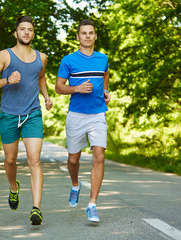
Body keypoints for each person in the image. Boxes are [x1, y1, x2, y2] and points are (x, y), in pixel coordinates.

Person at [0, 15, 53, 225]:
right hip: (9, 114)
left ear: (33, 34)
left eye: (30, 29)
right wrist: (7, 80)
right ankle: (14, 187)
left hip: (32, 113)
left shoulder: (41, 57)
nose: (26, 32)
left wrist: (47, 96)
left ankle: (36, 209)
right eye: (22, 29)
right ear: (16, 33)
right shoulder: (4, 56)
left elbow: (40, 77)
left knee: (35, 160)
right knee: (10, 160)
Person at [55, 19, 111, 223]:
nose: (87, 36)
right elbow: (58, 87)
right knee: (73, 160)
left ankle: (92, 205)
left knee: (99, 157)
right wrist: (76, 88)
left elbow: (105, 74)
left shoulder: (103, 58)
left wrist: (105, 91)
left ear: (95, 36)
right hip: (76, 115)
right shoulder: (68, 60)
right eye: (83, 33)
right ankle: (75, 184)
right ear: (78, 37)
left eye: (91, 33)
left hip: (98, 114)